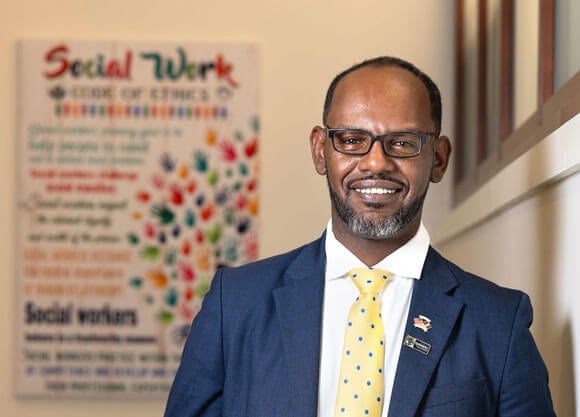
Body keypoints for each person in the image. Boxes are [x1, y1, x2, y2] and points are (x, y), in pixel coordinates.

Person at [163, 56, 556, 417]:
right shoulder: (234, 305)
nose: (375, 162)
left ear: (437, 158)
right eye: (351, 140)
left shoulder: (499, 324)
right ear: (321, 151)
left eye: (402, 142)